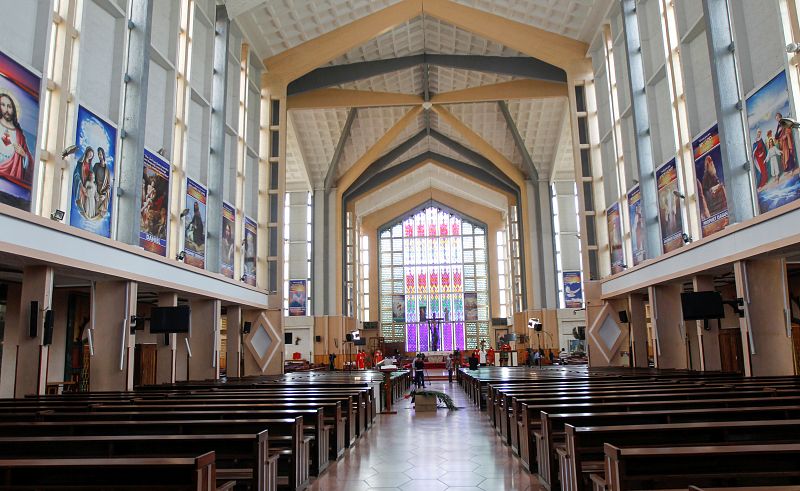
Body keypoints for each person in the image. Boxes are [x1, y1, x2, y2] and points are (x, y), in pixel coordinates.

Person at [0, 91, 33, 185]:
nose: (6, 109)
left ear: (13, 110)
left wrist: (24, 155)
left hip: (11, 181)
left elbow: (30, 164)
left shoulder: (20, 136)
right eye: (3, 105)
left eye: (9, 106)